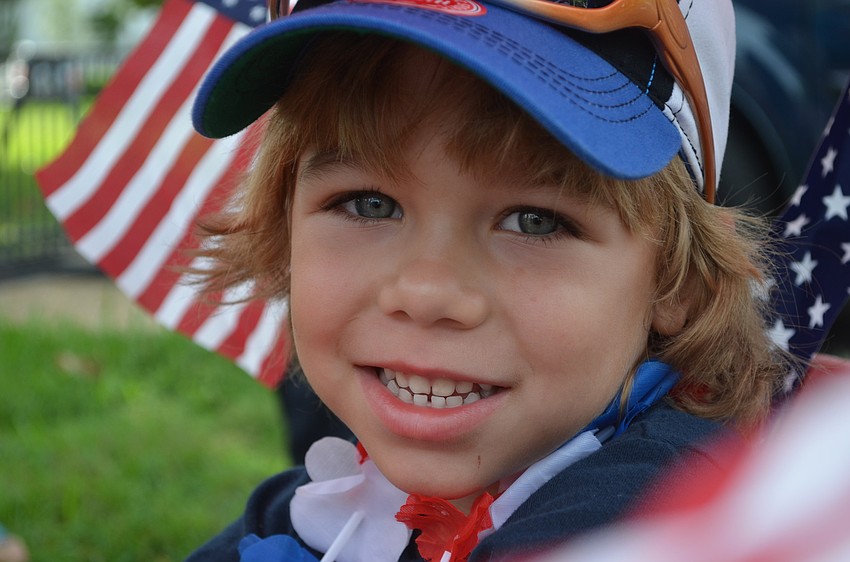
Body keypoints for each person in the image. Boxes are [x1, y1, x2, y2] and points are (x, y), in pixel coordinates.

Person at [185, 0, 788, 560]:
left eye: (534, 221)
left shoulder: (647, 521)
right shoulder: (314, 513)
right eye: (367, 204)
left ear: (675, 280)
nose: (425, 294)